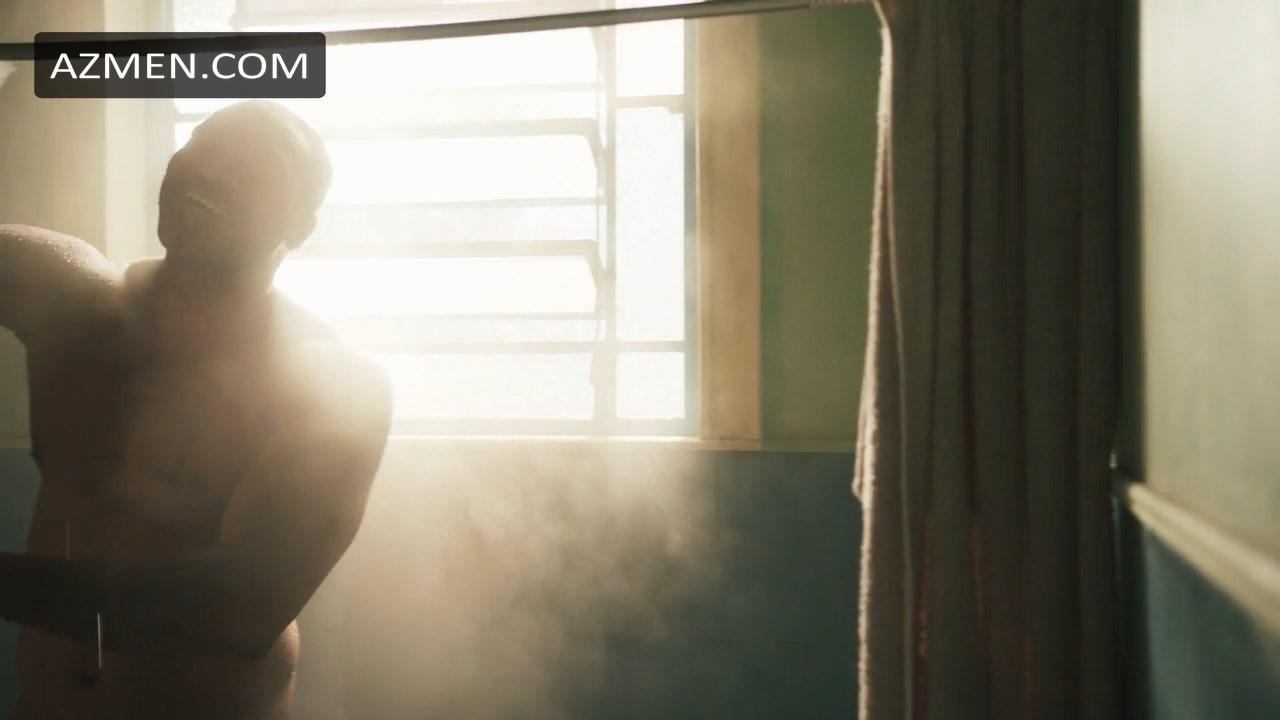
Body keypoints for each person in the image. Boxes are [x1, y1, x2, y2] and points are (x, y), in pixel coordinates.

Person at [0, 101, 391, 719]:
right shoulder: (68, 301)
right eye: (202, 144)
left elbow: (239, 607)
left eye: (255, 166)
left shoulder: (331, 384)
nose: (211, 169)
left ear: (300, 226)